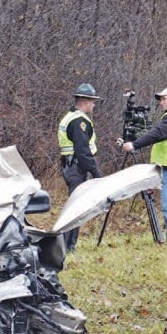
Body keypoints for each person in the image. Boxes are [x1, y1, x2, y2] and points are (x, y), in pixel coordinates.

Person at [121, 86, 167, 244]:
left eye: (164, 98)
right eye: (160, 99)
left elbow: (157, 134)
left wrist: (134, 145)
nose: (161, 102)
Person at [58, 83, 102, 250]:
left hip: (70, 166)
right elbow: (83, 151)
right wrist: (96, 173)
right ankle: (67, 246)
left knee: (74, 205)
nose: (94, 104)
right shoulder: (79, 122)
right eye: (92, 101)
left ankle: (68, 244)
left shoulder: (70, 116)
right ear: (85, 101)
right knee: (76, 207)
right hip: (77, 167)